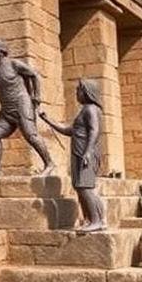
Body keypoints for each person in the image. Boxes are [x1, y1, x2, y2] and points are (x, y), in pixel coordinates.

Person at [0, 38, 54, 177]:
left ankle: (49, 164)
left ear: (2, 51)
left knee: (31, 135)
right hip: (6, 109)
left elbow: (34, 75)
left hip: (21, 104)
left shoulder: (14, 64)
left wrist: (36, 96)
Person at [39, 79, 106, 232]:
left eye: (79, 90)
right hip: (79, 153)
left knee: (85, 187)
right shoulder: (85, 110)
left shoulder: (90, 109)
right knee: (80, 187)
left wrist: (88, 151)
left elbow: (94, 131)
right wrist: (47, 119)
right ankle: (91, 219)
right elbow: (69, 130)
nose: (76, 93)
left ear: (87, 92)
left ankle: (97, 220)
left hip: (85, 153)